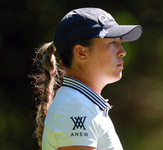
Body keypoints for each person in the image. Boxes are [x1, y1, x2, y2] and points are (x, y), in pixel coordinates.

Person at [32, 7, 142, 150]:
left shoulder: (82, 103)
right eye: (113, 43)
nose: (123, 52)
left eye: (120, 42)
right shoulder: (74, 106)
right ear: (81, 53)